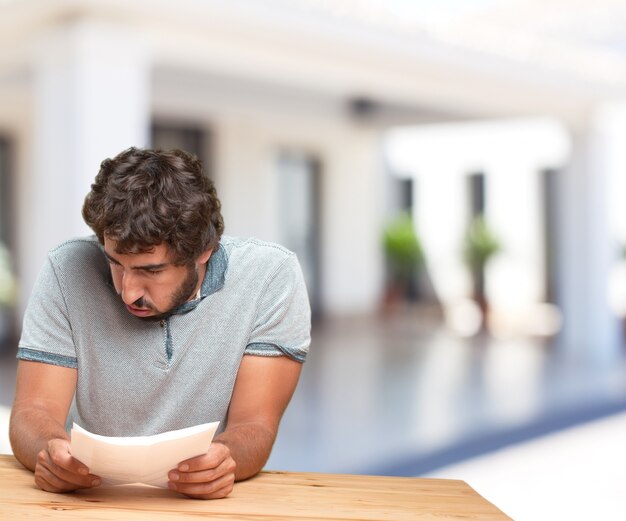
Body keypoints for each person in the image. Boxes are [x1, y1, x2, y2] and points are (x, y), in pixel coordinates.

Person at [9, 147, 311, 499]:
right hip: (91, 501)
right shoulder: (66, 268)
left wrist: (225, 458)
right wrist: (51, 451)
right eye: (115, 262)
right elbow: (33, 411)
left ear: (204, 250)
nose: (127, 291)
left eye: (151, 270)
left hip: (202, 505)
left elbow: (255, 425)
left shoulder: (270, 277)